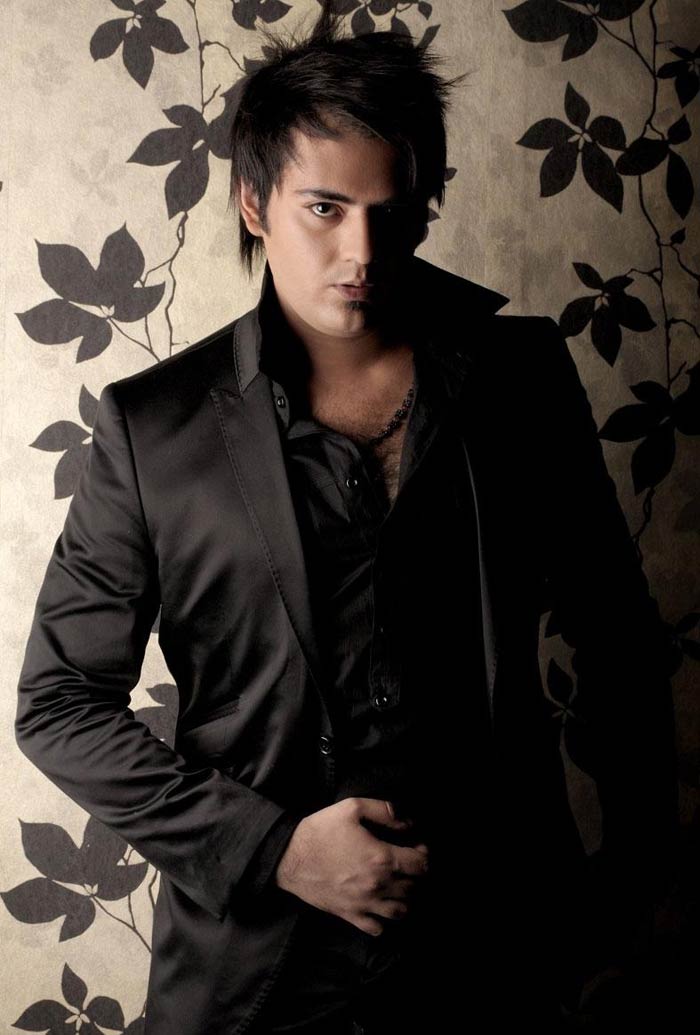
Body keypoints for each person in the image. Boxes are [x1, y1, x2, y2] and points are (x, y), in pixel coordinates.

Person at [15, 6, 678, 1035]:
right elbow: (59, 704)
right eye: (324, 207)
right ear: (253, 202)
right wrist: (273, 849)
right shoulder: (151, 428)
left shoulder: (520, 378)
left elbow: (619, 638)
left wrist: (632, 892)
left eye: (391, 209)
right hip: (260, 974)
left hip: (499, 954)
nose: (360, 250)